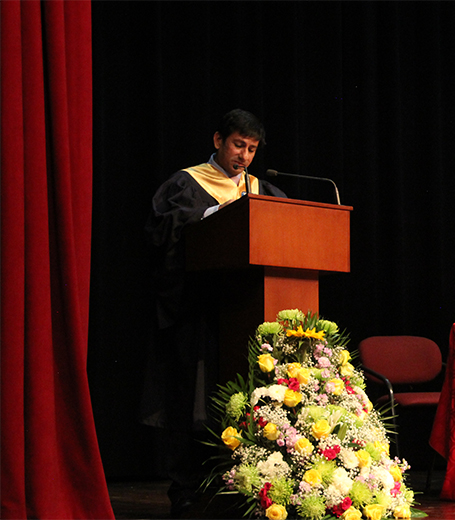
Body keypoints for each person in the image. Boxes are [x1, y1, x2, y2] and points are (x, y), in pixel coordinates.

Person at [143, 109, 286, 517]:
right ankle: (185, 487)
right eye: (238, 145)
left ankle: (246, 482)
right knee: (192, 399)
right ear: (218, 140)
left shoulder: (262, 189)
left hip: (246, 310)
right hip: (196, 309)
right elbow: (160, 234)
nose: (244, 156)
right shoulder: (185, 183)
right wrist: (207, 220)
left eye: (252, 149)